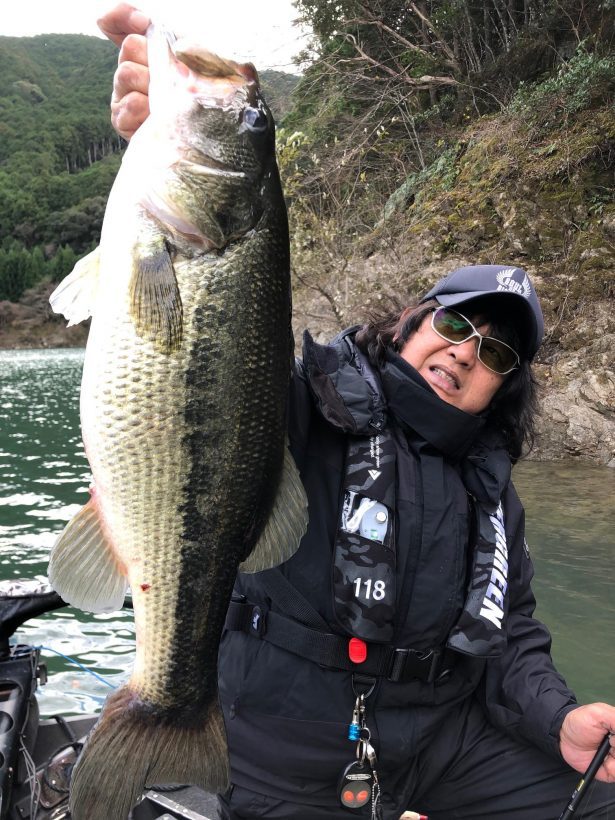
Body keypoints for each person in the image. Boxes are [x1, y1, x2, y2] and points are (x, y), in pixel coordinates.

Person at [97, 6, 615, 818]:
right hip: (286, 737)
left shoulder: (490, 489)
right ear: (410, 323)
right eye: (455, 325)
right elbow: (210, 373)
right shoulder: (307, 401)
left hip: (445, 738)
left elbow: (509, 633)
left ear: (502, 388)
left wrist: (559, 719)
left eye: (496, 354)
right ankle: (173, 718)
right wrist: (160, 134)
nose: (466, 353)